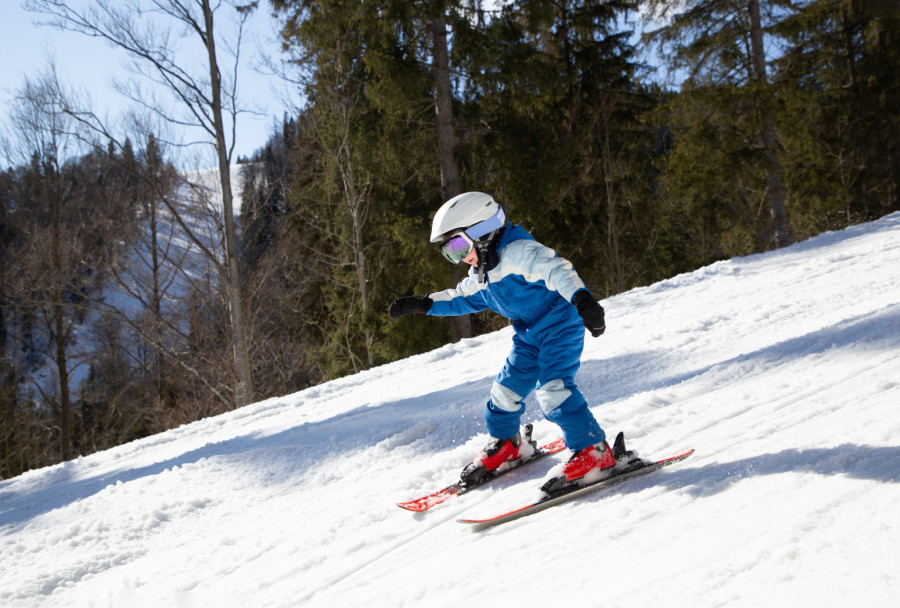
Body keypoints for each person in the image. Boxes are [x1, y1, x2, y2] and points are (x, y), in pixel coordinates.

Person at [389, 191, 614, 488]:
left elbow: (557, 269)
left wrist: (582, 299)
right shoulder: (482, 272)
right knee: (503, 393)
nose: (458, 258)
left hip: (560, 324)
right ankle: (508, 443)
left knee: (553, 389)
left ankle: (593, 450)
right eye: (449, 252)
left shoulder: (519, 253)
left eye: (458, 246)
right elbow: (461, 297)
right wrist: (425, 304)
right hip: (528, 334)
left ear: (482, 230)